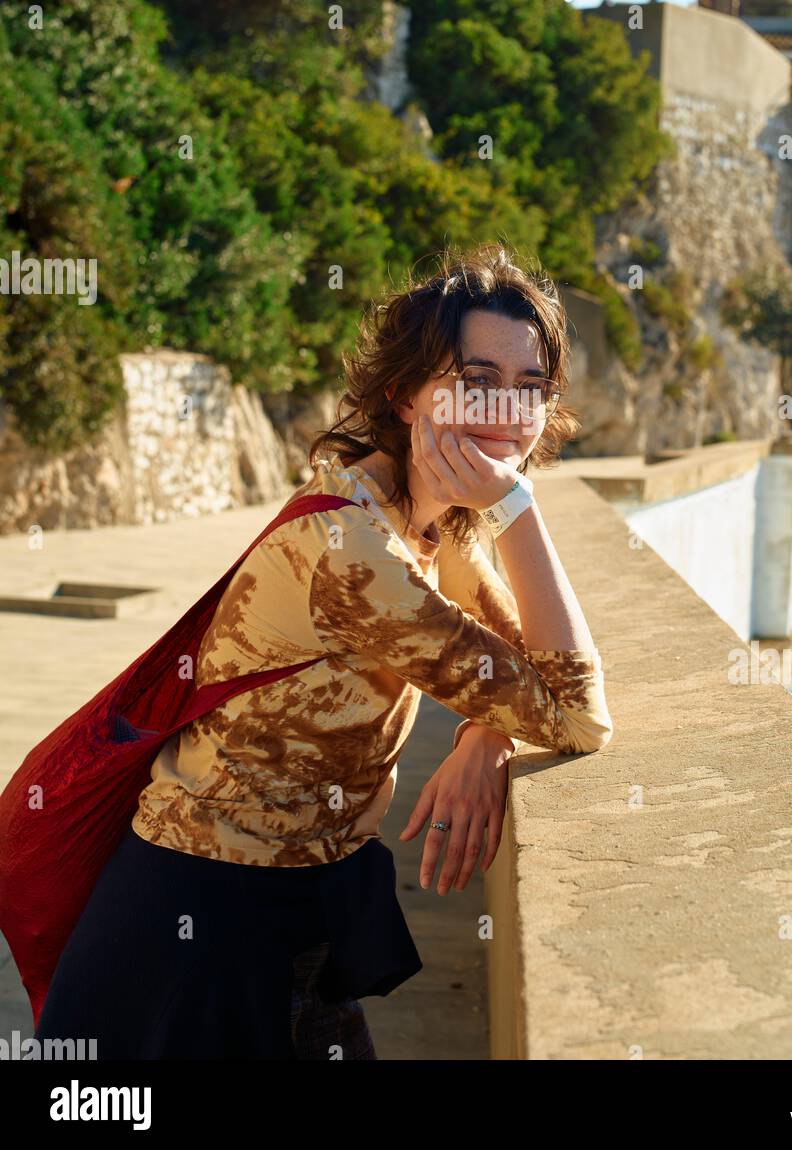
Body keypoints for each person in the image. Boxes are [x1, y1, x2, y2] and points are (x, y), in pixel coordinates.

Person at [35, 241, 613, 1059]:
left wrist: (486, 730)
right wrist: (517, 504)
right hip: (199, 925)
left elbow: (521, 656)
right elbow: (578, 714)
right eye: (474, 381)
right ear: (405, 395)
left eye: (530, 388)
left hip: (291, 903)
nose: (506, 413)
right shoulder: (356, 549)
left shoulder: (422, 512)